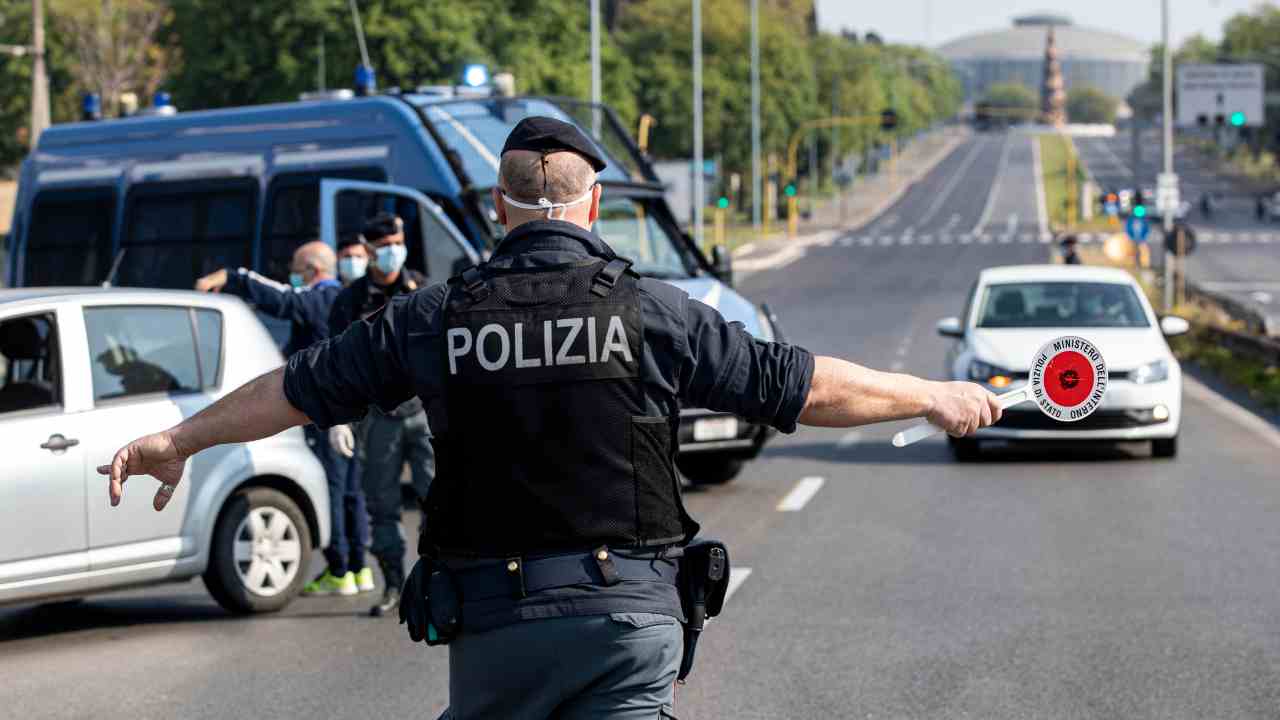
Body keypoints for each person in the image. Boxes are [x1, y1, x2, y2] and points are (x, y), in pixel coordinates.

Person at [102, 117, 1001, 719]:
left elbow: (297, 387)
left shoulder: (434, 316)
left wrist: (178, 438)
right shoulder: (649, 309)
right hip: (626, 625)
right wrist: (930, 393)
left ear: (498, 210)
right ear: (593, 205)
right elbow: (797, 385)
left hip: (496, 629)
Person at [194, 242, 372, 597]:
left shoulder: (324, 297)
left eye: (296, 270)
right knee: (353, 491)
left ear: (311, 271)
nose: (293, 277)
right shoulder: (350, 299)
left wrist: (233, 277)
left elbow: (283, 300)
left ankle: (340, 569)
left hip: (331, 413)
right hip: (357, 409)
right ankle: (359, 568)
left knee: (335, 489)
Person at [327, 213, 433, 617]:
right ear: (369, 250)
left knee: (437, 500)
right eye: (384, 246)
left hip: (424, 414)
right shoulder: (350, 301)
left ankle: (437, 579)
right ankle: (393, 584)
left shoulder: (422, 289)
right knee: (382, 506)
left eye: (397, 243)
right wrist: (337, 417)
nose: (392, 252)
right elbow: (333, 363)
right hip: (377, 417)